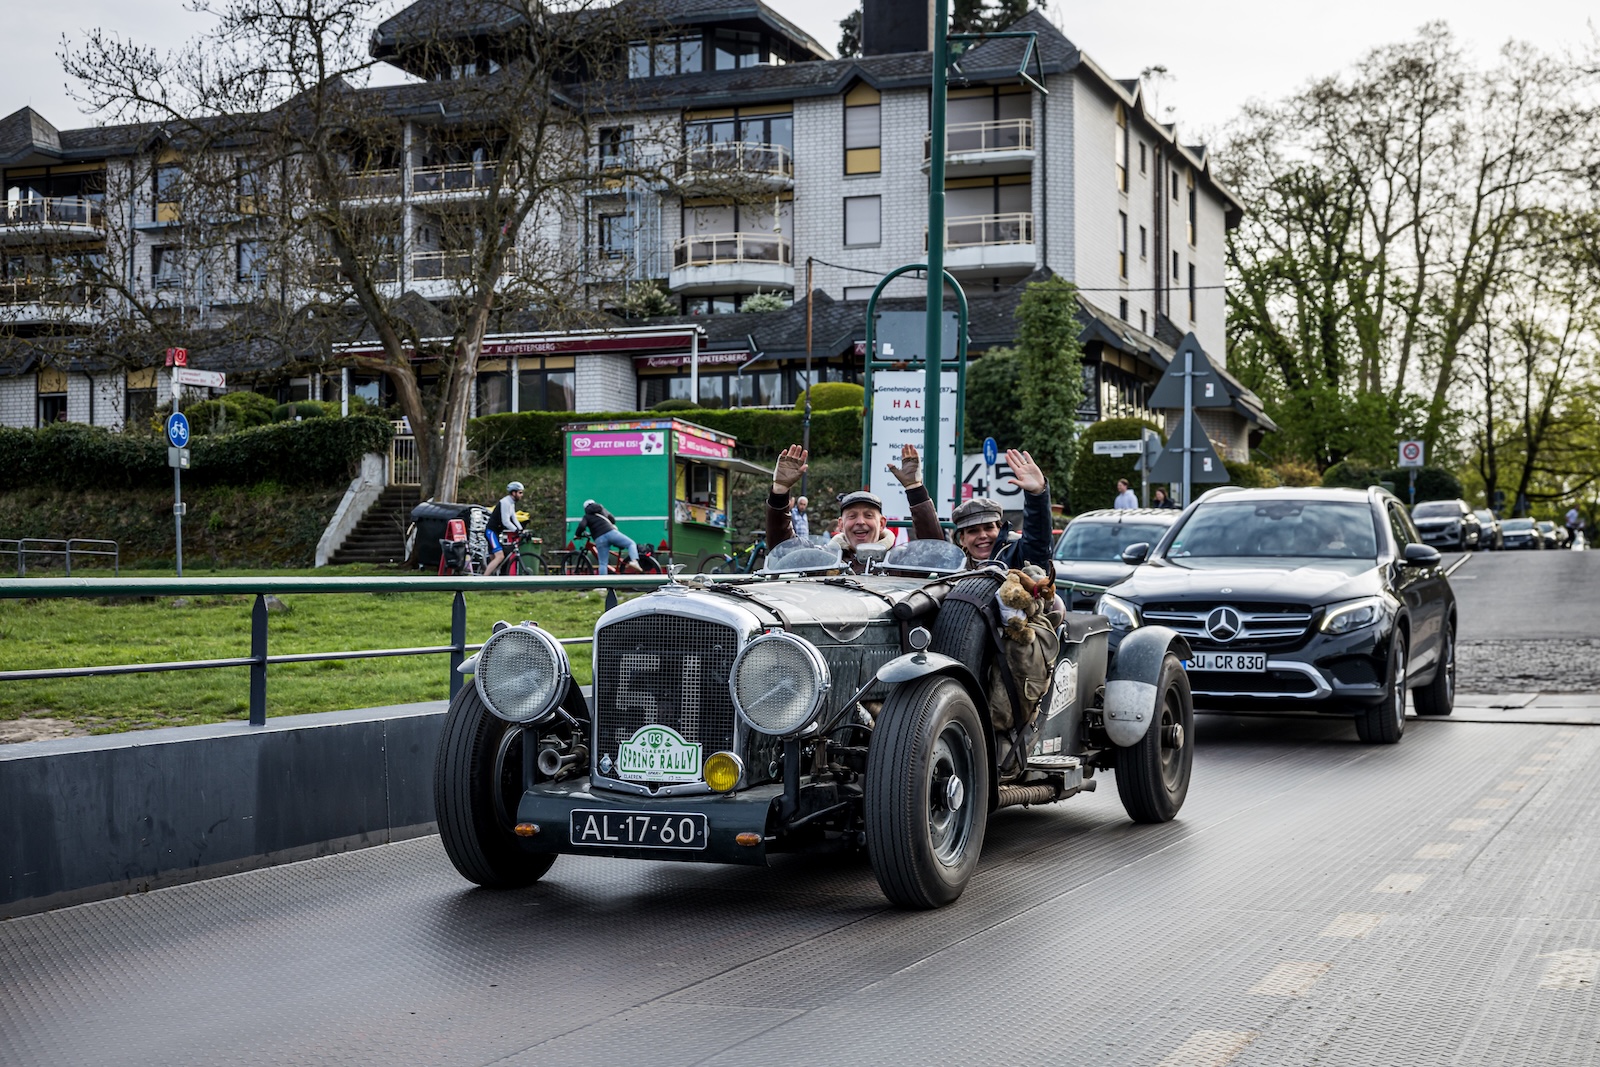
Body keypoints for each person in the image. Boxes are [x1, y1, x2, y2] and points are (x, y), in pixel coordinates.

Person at [766, 442, 943, 573]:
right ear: (841, 524)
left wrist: (915, 489)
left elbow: (934, 552)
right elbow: (783, 549)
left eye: (868, 515)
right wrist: (780, 491)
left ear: (882, 523)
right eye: (852, 516)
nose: (860, 522)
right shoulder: (824, 560)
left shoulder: (899, 561)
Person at [948, 449, 1055, 571]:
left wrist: (1037, 495)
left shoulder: (1018, 555)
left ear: (1000, 530)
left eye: (989, 527)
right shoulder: (952, 569)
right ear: (962, 539)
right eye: (973, 531)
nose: (983, 535)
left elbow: (1037, 543)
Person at [574, 498, 641, 574]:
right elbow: (613, 520)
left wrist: (577, 535)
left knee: (603, 563)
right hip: (611, 533)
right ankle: (634, 561)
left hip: (599, 538)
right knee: (631, 543)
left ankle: (603, 581)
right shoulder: (603, 510)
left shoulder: (587, 516)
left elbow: (582, 526)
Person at [482, 480, 524, 576]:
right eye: (520, 492)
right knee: (500, 556)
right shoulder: (505, 502)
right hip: (491, 532)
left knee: (495, 560)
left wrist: (521, 529)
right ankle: (483, 580)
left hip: (496, 532)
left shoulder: (511, 502)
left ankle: (491, 580)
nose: (521, 495)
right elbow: (506, 521)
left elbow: (514, 517)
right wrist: (516, 530)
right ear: (513, 493)